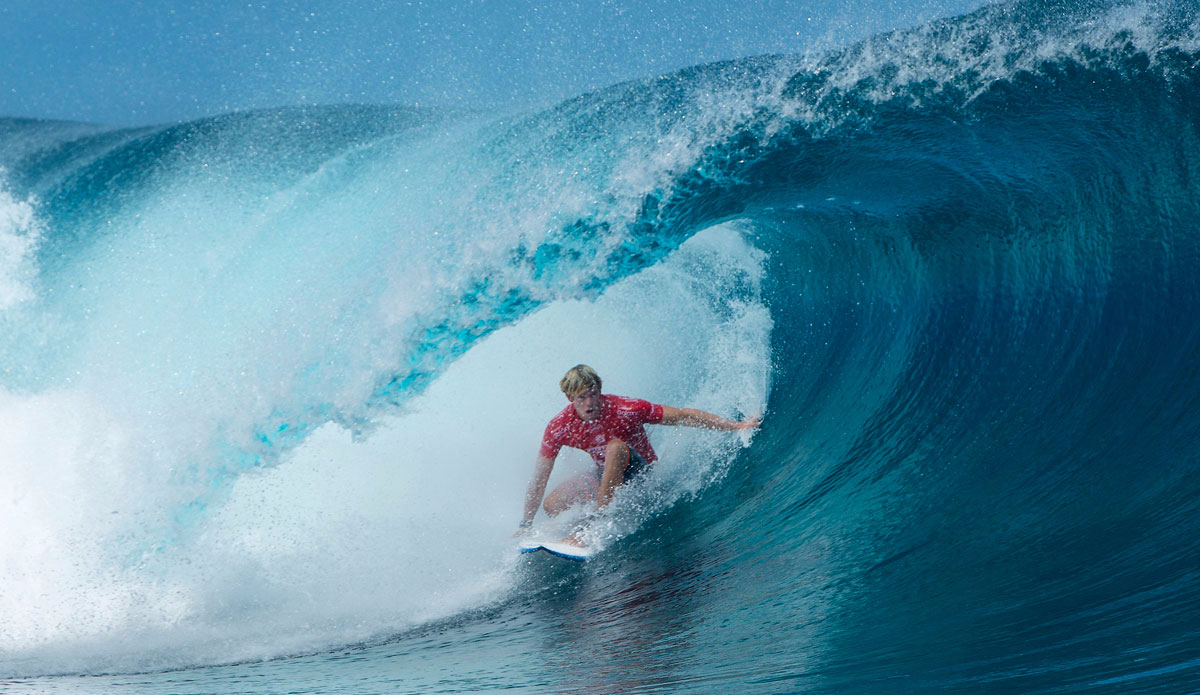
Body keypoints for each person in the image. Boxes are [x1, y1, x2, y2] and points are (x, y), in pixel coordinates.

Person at [517, 364, 761, 537]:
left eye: (594, 394)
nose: (590, 403)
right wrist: (526, 523)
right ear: (570, 397)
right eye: (582, 397)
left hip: (641, 473)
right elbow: (540, 478)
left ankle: (599, 522)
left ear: (600, 389)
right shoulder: (559, 427)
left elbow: (683, 416)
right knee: (553, 504)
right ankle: (575, 534)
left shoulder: (626, 408)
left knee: (614, 448)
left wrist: (736, 426)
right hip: (605, 476)